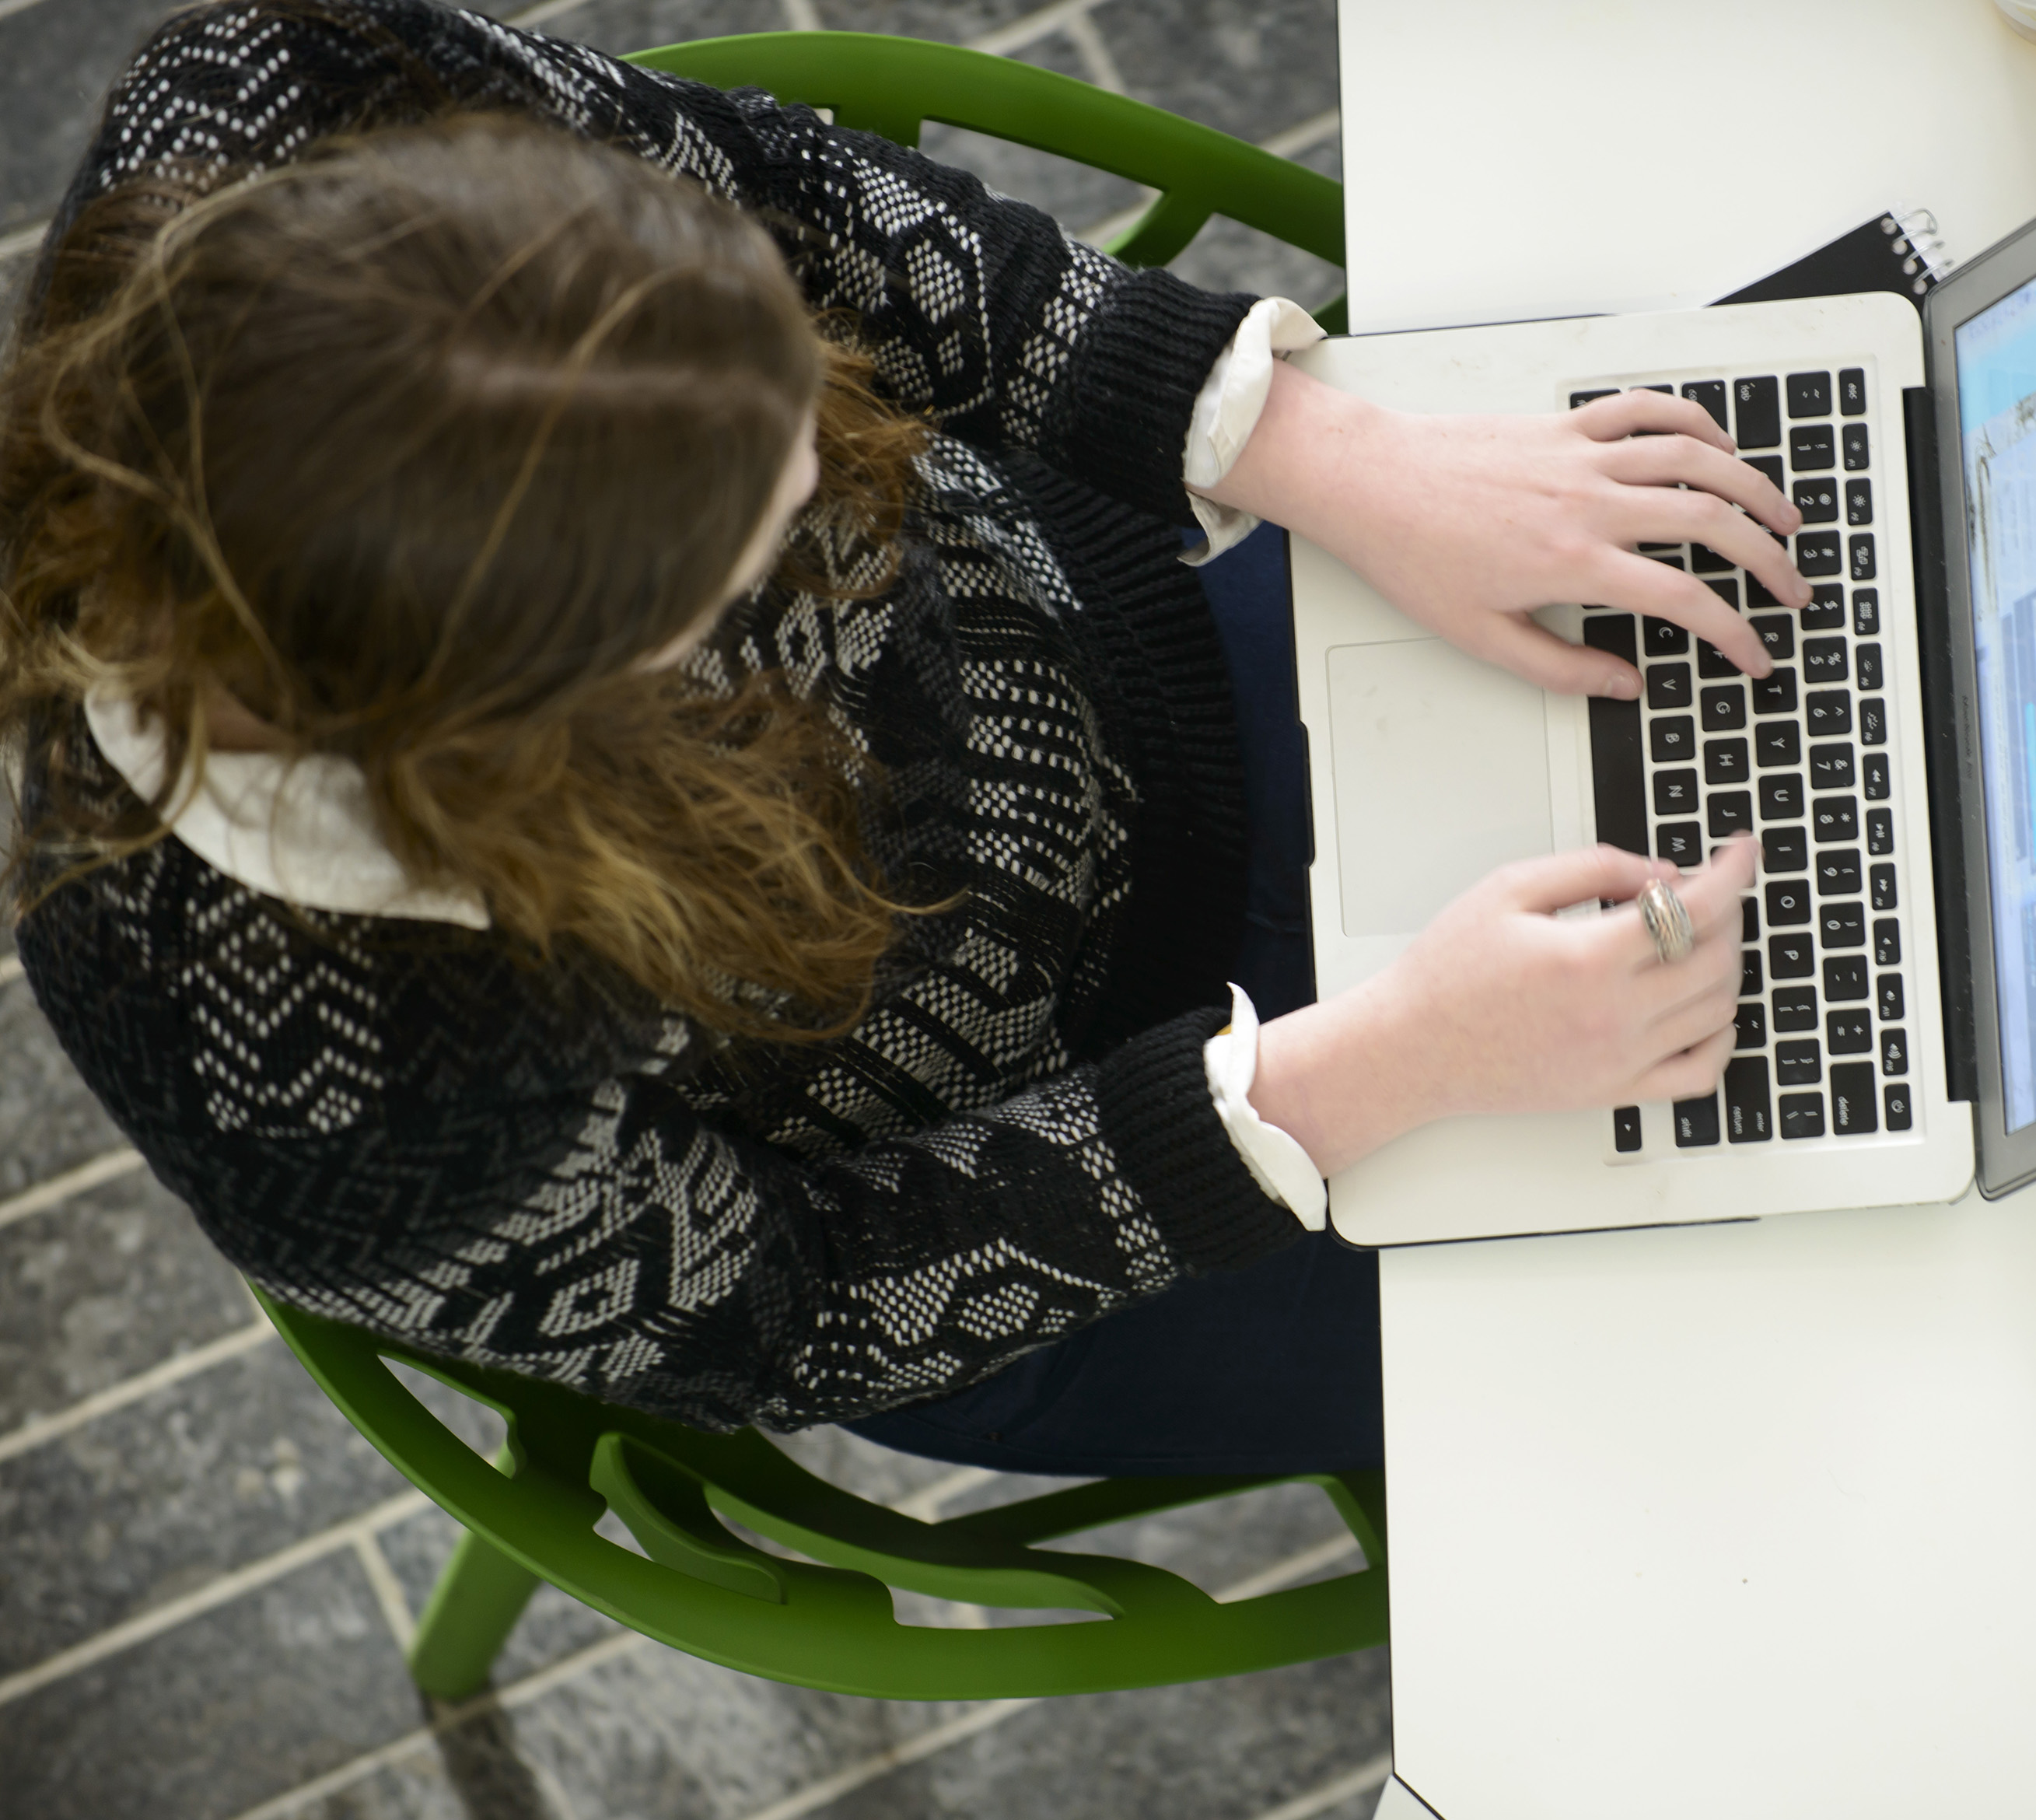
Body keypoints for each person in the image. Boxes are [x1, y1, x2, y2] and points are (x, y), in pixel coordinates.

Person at [0, 0, 1800, 1478]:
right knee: (1770, 1347)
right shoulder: (297, 1077)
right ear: (513, 732)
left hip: (1147, 660)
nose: (835, 462)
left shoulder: (279, 96)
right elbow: (793, 1301)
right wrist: (1375, 1074)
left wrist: (1334, 460)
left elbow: (800, 200)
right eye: (730, 567)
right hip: (1059, 1188)